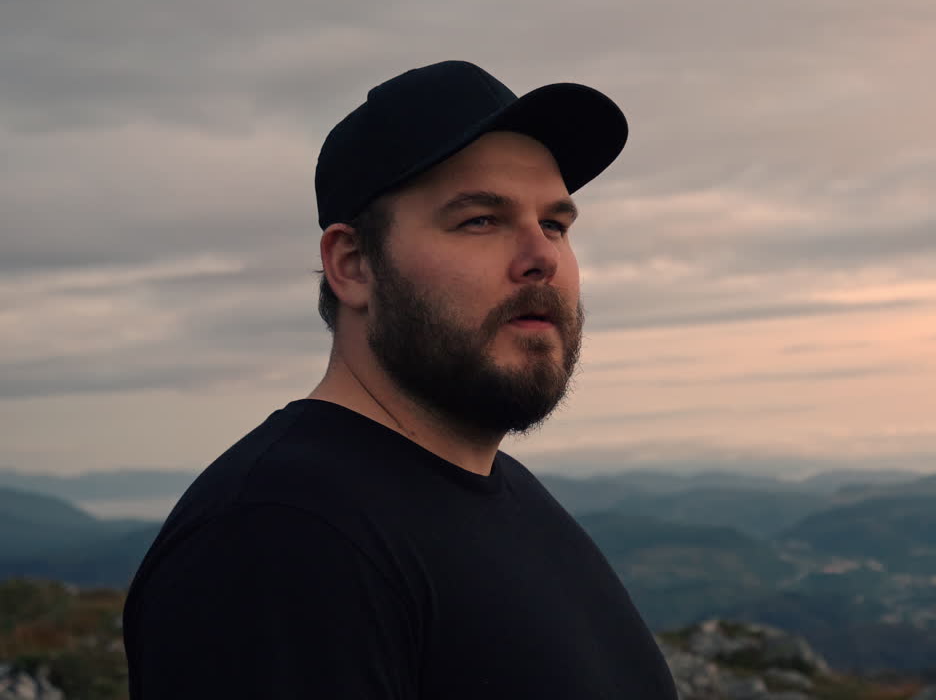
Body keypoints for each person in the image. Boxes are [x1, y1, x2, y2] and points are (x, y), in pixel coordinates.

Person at [122, 60, 679, 699]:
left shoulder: (500, 494)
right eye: (480, 220)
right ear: (353, 265)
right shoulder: (282, 540)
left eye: (554, 224)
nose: (542, 258)